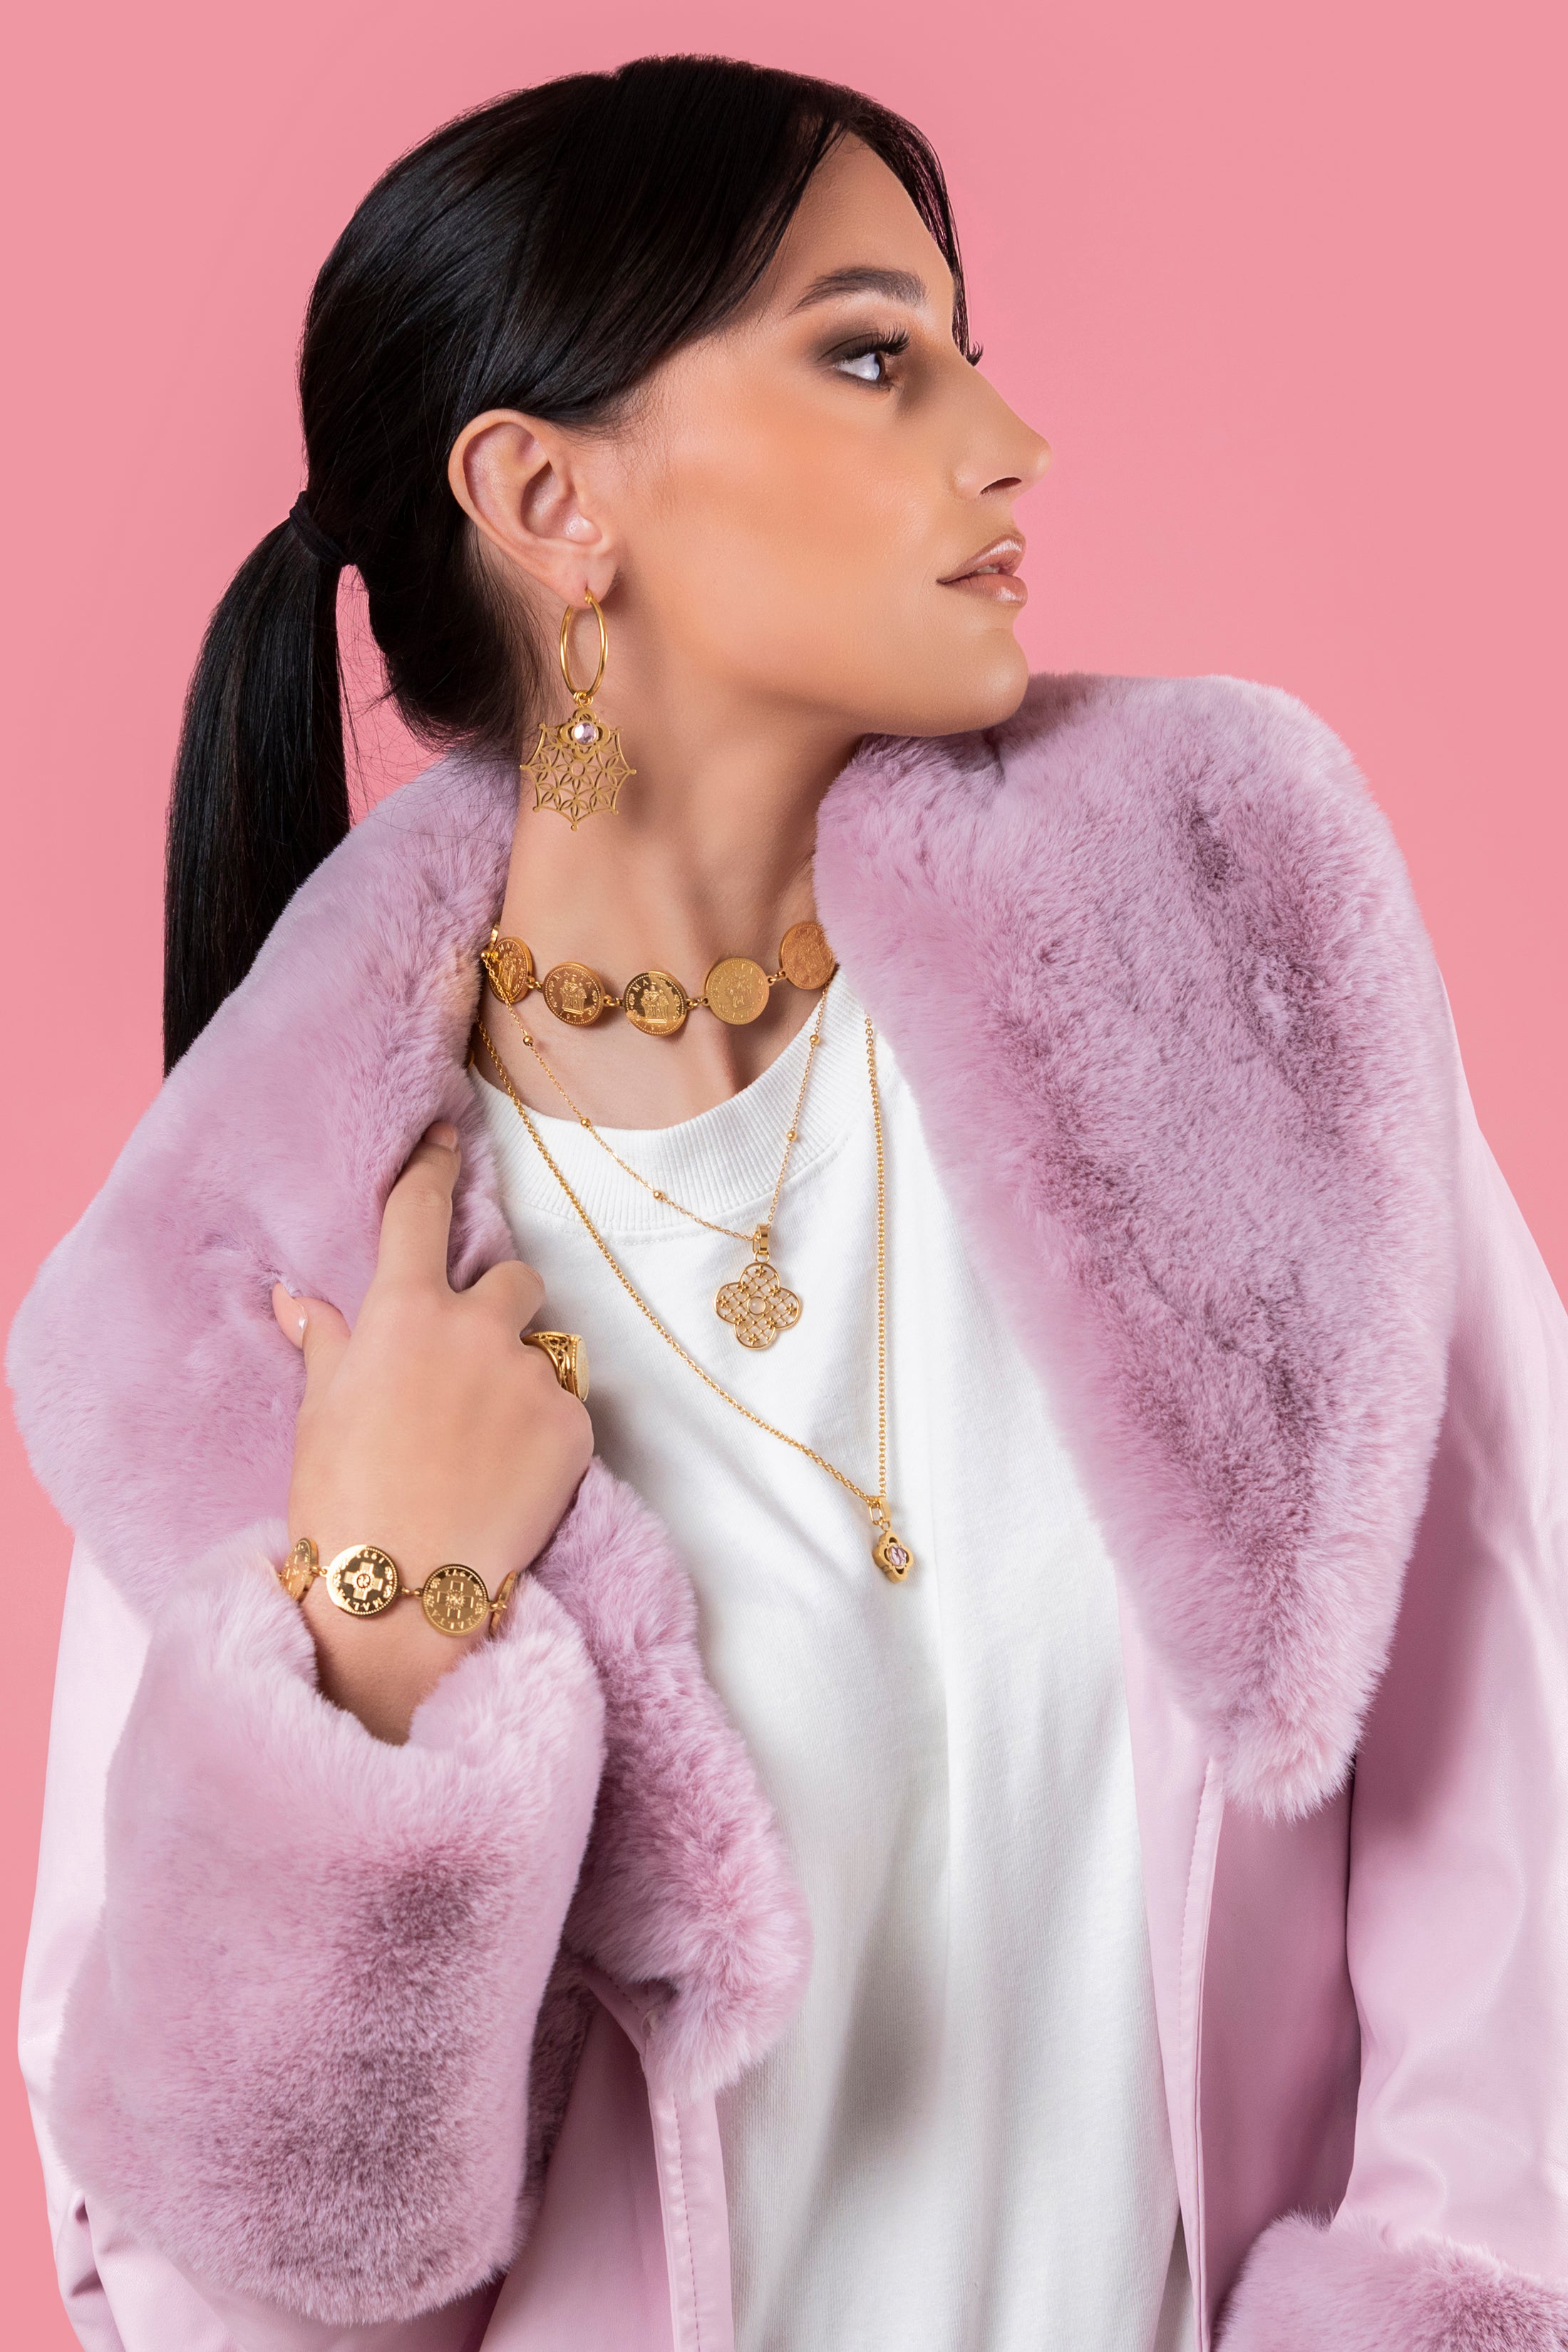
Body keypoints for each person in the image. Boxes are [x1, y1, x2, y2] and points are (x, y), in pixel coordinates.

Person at [11, 51, 1568, 2352]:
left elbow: (1515, 1791)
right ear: (549, 497)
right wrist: (378, 1632)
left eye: (965, 349)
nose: (1008, 443)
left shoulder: (1221, 951)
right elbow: (215, 2299)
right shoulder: (263, 1295)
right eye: (869, 356)